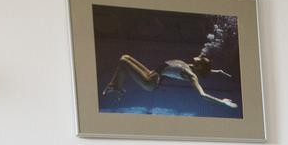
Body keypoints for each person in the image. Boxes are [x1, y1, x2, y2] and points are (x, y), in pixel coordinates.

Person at [101, 53, 238, 110]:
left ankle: (115, 86)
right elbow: (205, 71)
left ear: (199, 66)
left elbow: (202, 95)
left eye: (201, 58)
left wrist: (223, 102)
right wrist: (217, 71)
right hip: (151, 73)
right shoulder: (191, 66)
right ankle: (115, 86)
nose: (201, 55)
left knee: (123, 62)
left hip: (150, 82)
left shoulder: (191, 75)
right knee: (125, 57)